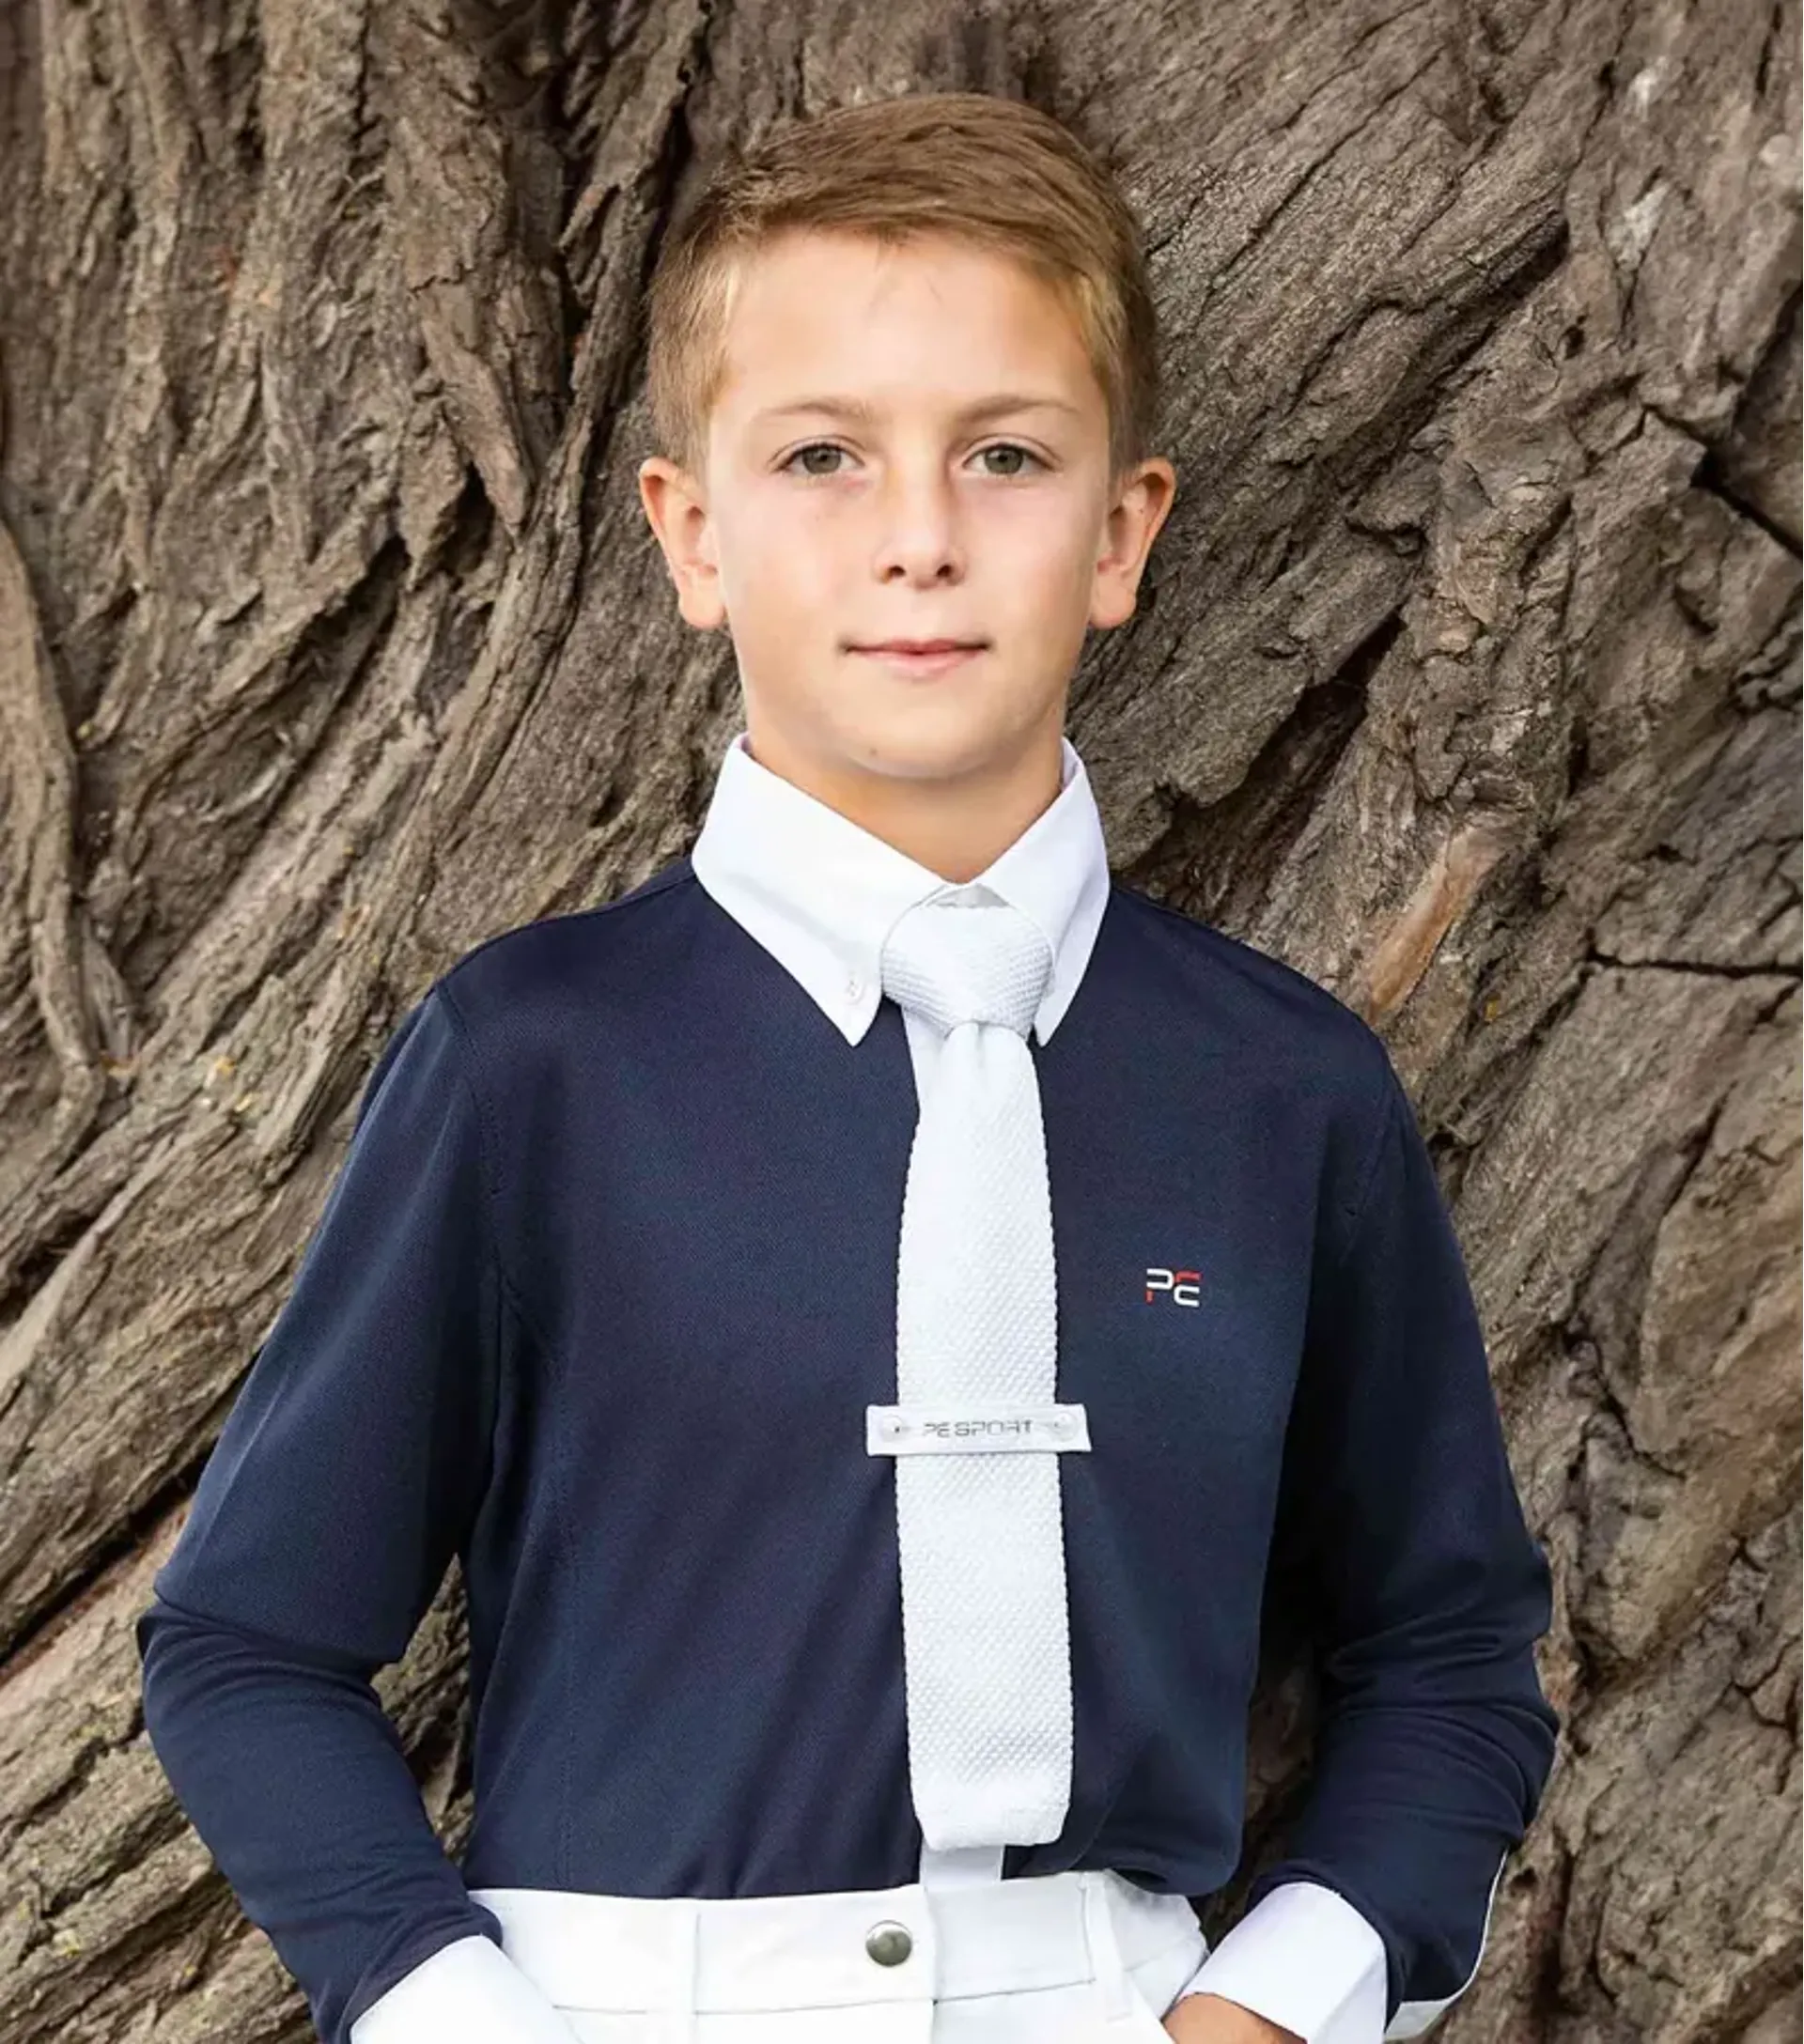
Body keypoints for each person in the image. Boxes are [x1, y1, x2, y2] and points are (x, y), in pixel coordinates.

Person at [136, 88, 1561, 2044]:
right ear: (691, 534)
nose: (919, 541)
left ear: (1121, 533)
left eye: (1005, 456)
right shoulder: (532, 1062)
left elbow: (1452, 1649)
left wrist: (1274, 2008)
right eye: (822, 456)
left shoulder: (1281, 1088)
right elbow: (247, 1644)